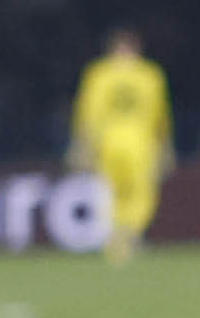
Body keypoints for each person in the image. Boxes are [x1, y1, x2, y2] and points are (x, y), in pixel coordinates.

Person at [70, 32, 170, 263]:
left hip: (108, 141)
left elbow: (88, 113)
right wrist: (165, 146)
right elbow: (160, 114)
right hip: (140, 141)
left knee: (112, 191)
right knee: (139, 191)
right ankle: (130, 233)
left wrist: (82, 145)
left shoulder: (99, 74)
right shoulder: (149, 74)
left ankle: (117, 235)